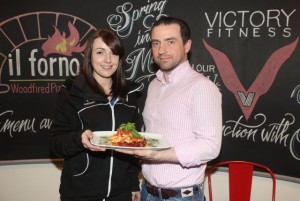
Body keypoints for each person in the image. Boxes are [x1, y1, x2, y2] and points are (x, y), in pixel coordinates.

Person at [117, 16, 222, 201]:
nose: (161, 50)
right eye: (156, 43)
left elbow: (210, 147)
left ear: (187, 46)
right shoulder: (154, 85)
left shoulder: (202, 87)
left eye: (170, 42)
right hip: (147, 191)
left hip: (181, 196)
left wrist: (159, 155)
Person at [49, 29, 142, 201]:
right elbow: (55, 144)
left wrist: (133, 183)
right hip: (80, 194)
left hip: (121, 194)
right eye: (100, 52)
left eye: (113, 53)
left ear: (120, 58)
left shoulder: (130, 95)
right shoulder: (72, 92)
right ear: (89, 56)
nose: (107, 60)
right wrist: (79, 139)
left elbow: (132, 146)